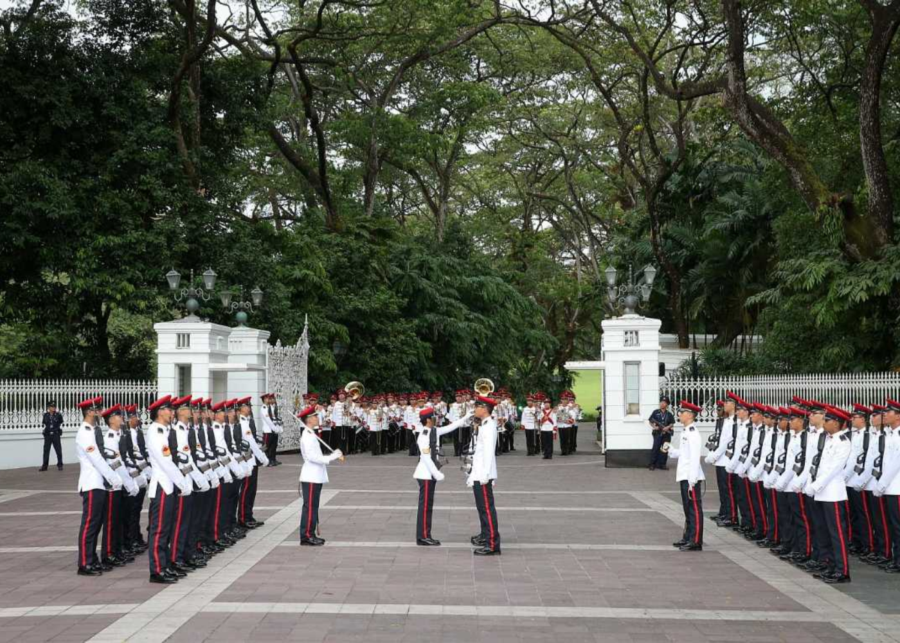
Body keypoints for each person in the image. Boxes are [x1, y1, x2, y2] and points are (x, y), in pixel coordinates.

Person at [145, 395, 190, 584]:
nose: (172, 412)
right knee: (160, 530)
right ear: (159, 412)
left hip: (169, 485)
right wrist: (182, 482)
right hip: (163, 485)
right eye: (169, 410)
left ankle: (165, 565)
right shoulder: (155, 431)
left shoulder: (164, 430)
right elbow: (166, 462)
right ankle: (157, 570)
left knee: (168, 529)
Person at [805, 405, 853, 583]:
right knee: (823, 530)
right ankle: (831, 566)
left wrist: (816, 485)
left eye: (827, 420)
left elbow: (833, 469)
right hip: (821, 492)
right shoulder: (827, 439)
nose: (824, 423)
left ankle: (843, 571)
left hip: (833, 493)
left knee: (837, 533)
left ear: (837, 423)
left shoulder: (843, 442)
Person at [75, 396, 121, 576]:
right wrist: (113, 477)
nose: (100, 412)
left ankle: (92, 559)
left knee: (97, 524)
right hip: (92, 483)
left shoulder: (93, 431)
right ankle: (84, 563)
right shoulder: (85, 432)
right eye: (97, 409)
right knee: (90, 524)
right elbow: (96, 459)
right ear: (89, 412)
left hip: (99, 483)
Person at [414, 406, 472, 545]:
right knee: (425, 506)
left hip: (430, 474)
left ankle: (425, 534)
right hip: (426, 474)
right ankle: (423, 536)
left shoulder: (433, 431)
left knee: (428, 505)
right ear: (428, 420)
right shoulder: (423, 435)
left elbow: (450, 427)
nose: (436, 418)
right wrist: (436, 473)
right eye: (433, 417)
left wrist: (465, 417)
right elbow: (426, 458)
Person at [298, 405, 342, 545]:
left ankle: (309, 534)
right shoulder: (308, 436)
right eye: (315, 416)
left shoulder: (311, 433)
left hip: (315, 475)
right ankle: (306, 536)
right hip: (311, 475)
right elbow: (313, 457)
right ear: (309, 419)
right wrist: (332, 457)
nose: (318, 418)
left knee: (313, 505)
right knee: (310, 506)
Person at [667, 400, 704, 551]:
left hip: (691, 477)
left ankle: (695, 540)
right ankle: (688, 536)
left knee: (694, 509)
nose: (679, 415)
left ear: (689, 415)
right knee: (687, 509)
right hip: (684, 475)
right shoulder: (685, 432)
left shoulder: (693, 433)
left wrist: (692, 480)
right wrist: (672, 450)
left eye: (682, 412)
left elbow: (695, 457)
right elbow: (685, 454)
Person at [468, 394, 501, 556]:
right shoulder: (484, 424)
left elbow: (488, 453)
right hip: (479, 472)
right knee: (482, 508)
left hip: (483, 474)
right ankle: (485, 535)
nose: (474, 409)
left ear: (484, 409)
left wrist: (486, 474)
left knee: (487, 509)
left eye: (477, 407)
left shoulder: (488, 426)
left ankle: (492, 543)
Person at [648, 396, 675, 470]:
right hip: (657, 433)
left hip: (666, 434)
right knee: (655, 448)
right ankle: (652, 464)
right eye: (661, 402)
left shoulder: (669, 414)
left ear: (667, 404)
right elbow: (650, 421)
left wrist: (668, 427)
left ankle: (662, 464)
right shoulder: (655, 412)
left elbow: (672, 423)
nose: (662, 404)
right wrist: (654, 427)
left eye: (664, 403)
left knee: (665, 449)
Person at [40, 400, 64, 472]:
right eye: (52, 406)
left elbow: (60, 423)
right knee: (46, 450)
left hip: (55, 434)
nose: (53, 408)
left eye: (54, 406)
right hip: (47, 435)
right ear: (48, 407)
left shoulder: (58, 415)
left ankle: (60, 465)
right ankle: (45, 466)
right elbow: (45, 423)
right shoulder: (46, 415)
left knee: (58, 450)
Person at [538, 395, 557, 459]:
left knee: (550, 443)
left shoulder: (552, 412)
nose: (546, 405)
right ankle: (545, 454)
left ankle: (550, 454)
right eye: (545, 403)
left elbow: (554, 421)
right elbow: (540, 420)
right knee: (544, 442)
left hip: (550, 429)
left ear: (550, 404)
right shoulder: (542, 411)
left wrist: (554, 430)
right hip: (543, 429)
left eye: (547, 403)